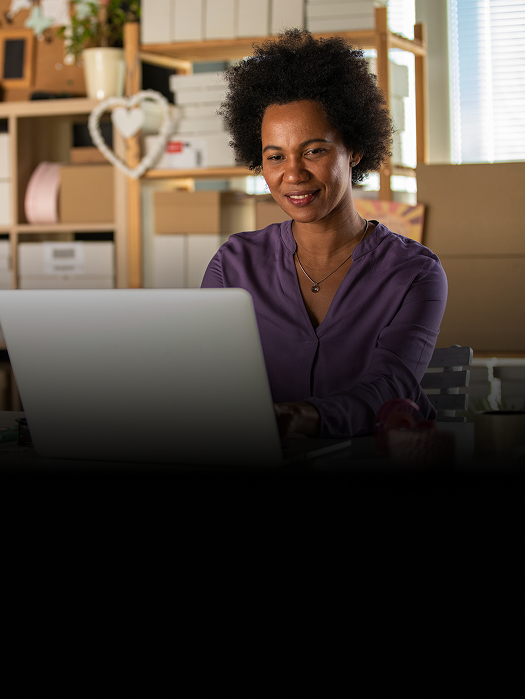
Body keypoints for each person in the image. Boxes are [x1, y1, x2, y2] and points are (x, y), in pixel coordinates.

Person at [201, 30, 448, 439]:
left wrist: (302, 417)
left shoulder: (415, 273)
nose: (293, 174)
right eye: (275, 157)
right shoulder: (232, 267)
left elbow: (388, 391)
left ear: (353, 149)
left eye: (314, 150)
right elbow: (209, 382)